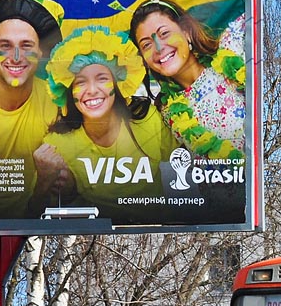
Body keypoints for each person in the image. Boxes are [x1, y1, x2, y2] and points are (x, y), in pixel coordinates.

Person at [37, 26, 177, 221]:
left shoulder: (147, 118)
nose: (92, 90)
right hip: (96, 240)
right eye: (81, 82)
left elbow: (187, 159)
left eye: (102, 79)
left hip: (152, 233)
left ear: (117, 85)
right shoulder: (57, 144)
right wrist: (45, 182)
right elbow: (37, 214)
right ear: (70, 93)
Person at [0, 0, 64, 216]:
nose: (17, 56)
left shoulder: (56, 103)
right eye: (6, 46)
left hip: (29, 227)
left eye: (26, 45)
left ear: (40, 53)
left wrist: (47, 182)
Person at [129, 0, 244, 160]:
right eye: (146, 45)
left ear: (187, 32)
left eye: (164, 34)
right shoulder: (166, 113)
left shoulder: (233, 50)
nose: (159, 47)